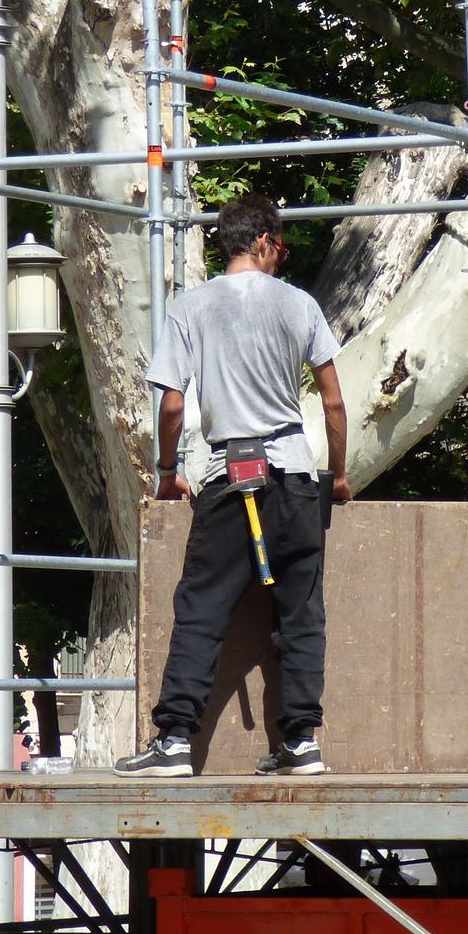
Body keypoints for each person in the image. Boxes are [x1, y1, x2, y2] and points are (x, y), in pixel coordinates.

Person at [116, 196, 351, 778]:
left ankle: (173, 742)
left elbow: (171, 405)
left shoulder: (189, 307)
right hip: (294, 476)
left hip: (228, 475)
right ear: (267, 240)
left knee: (201, 608)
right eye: (282, 248)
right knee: (301, 612)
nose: (281, 258)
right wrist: (339, 476)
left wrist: (167, 472)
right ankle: (302, 743)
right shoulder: (300, 305)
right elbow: (334, 401)